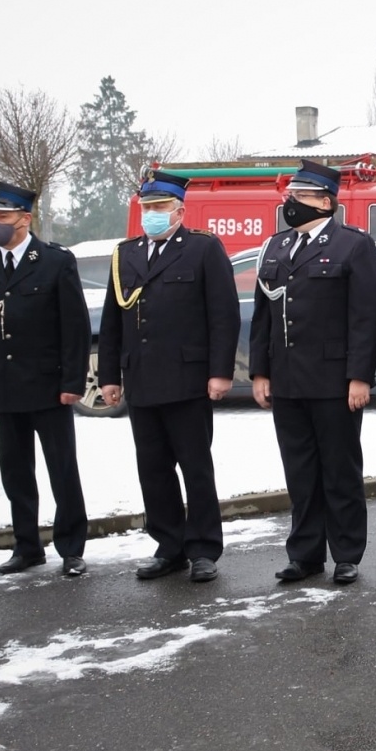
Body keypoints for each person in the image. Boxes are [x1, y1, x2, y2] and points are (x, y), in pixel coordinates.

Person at [98, 171, 240, 583]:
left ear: (180, 209)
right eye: (147, 208)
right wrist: (110, 375)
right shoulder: (125, 254)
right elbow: (112, 322)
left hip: (188, 379)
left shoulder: (202, 249)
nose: (152, 215)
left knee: (195, 467)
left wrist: (220, 373)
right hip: (142, 379)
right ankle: (169, 545)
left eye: (160, 207)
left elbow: (223, 316)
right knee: (153, 468)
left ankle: (203, 549)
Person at [250, 160, 376, 586]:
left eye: (301, 196)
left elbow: (366, 316)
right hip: (288, 380)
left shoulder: (352, 245)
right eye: (290, 196)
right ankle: (305, 553)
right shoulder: (275, 247)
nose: (291, 203)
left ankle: (346, 553)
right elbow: (263, 317)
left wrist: (360, 376)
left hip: (333, 381)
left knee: (339, 469)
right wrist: (260, 371)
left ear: (325, 202)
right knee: (300, 470)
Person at [0, 182, 92, 578]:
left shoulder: (54, 261)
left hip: (49, 385)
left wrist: (73, 382)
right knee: (15, 471)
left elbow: (75, 328)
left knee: (61, 469)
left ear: (25, 218)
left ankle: (71, 547)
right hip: (3, 385)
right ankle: (27, 545)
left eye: (2, 216)